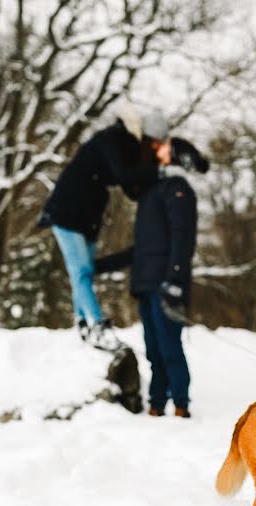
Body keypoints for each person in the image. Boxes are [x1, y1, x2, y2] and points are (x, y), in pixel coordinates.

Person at [37, 106, 172, 350]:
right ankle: (97, 325)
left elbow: (132, 189)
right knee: (82, 272)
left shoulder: (131, 150)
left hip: (87, 216)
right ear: (144, 136)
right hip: (67, 210)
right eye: (152, 144)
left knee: (84, 272)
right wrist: (160, 170)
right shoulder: (111, 139)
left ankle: (83, 323)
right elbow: (124, 174)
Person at [97, 173, 204, 419]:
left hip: (167, 288)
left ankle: (180, 404)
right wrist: (99, 266)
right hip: (145, 287)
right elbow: (139, 252)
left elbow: (182, 233)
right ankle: (156, 403)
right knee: (153, 350)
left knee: (170, 349)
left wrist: (175, 278)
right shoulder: (146, 200)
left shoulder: (173, 188)